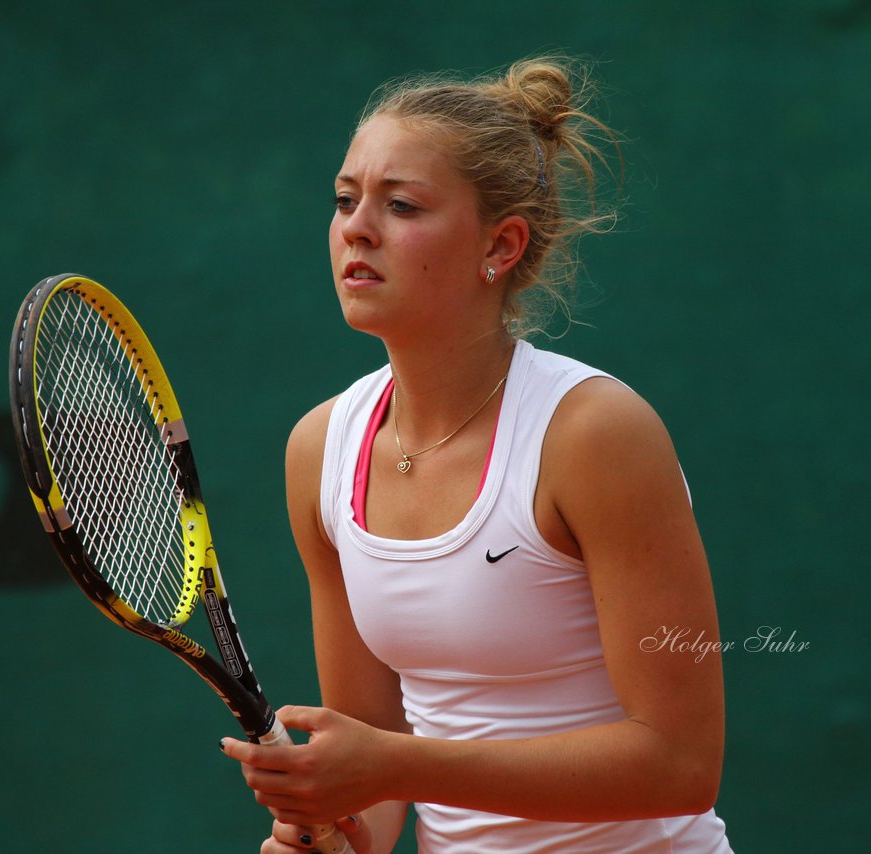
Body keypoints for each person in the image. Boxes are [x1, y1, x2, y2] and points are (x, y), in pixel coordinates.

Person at [220, 55, 733, 853]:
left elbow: (680, 763)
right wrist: (329, 831)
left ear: (500, 244)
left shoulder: (595, 433)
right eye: (345, 200)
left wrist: (390, 765)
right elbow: (376, 780)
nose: (357, 227)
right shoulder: (319, 449)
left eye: (401, 205)